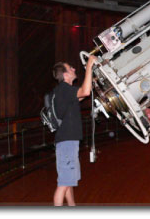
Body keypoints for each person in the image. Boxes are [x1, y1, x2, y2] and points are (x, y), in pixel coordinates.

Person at [51, 55, 97, 206]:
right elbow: (85, 92)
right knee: (63, 183)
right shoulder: (64, 89)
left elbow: (81, 95)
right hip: (67, 143)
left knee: (68, 181)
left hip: (67, 142)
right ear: (65, 75)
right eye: (71, 68)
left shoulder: (64, 91)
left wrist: (89, 82)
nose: (74, 69)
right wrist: (89, 65)